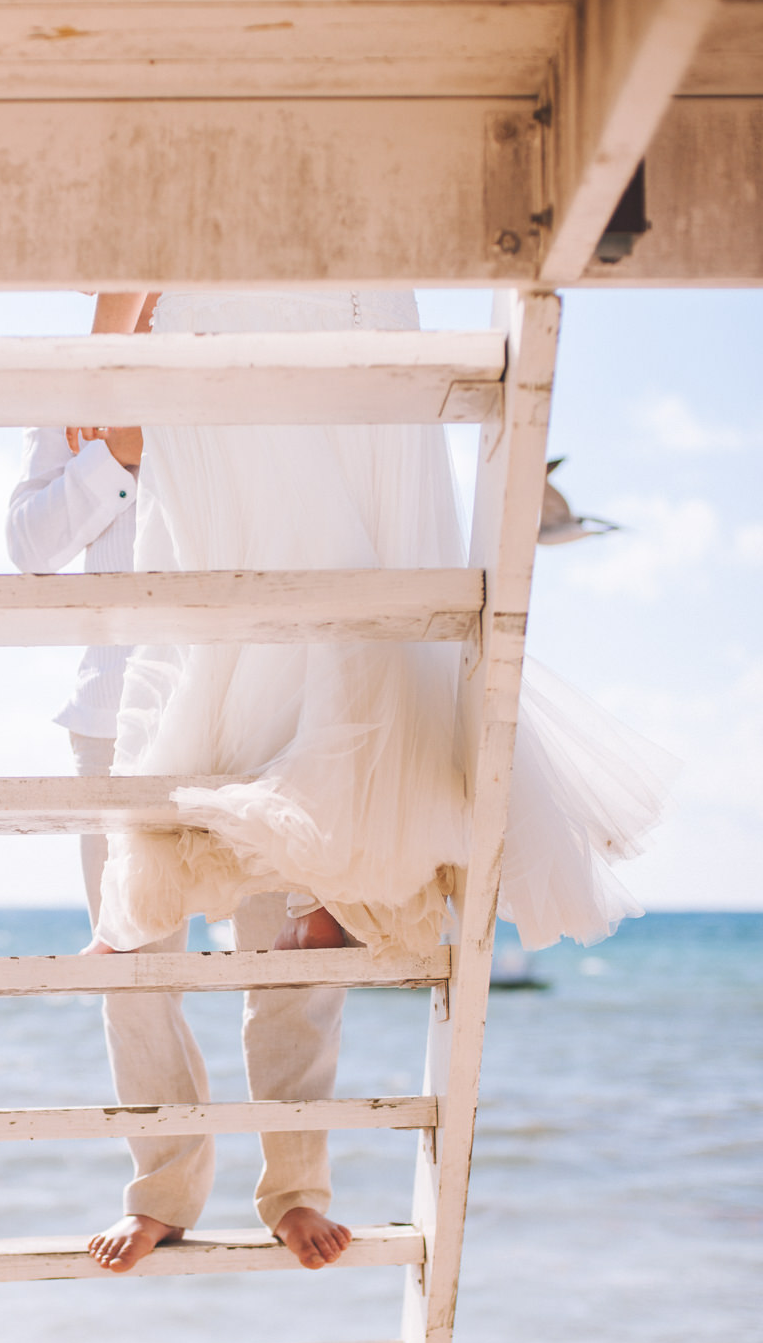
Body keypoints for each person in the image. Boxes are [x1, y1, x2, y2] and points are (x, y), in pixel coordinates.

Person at [76, 288, 674, 971]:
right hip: (363, 309)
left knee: (231, 576)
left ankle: (170, 886)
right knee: (351, 558)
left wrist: (98, 367)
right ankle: (331, 899)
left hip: (237, 314)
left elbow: (151, 227)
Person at [6, 297, 353, 1275]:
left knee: (290, 963)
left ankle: (295, 1190)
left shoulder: (251, 342)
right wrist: (114, 457)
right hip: (118, 717)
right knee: (134, 970)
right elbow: (29, 548)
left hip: (260, 704)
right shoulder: (68, 385)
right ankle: (164, 1191)